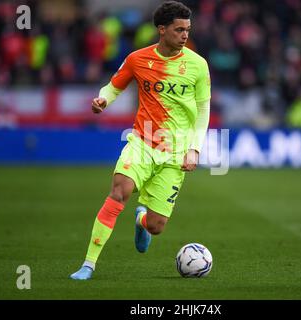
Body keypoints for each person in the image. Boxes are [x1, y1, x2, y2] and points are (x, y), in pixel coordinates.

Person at [70, 1, 211, 280]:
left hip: (176, 152)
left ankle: (141, 221)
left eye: (187, 29)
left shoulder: (197, 65)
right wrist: (102, 100)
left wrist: (194, 149)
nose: (185, 35)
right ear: (162, 29)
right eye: (179, 29)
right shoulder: (137, 59)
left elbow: (203, 110)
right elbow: (114, 86)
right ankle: (88, 264)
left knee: (156, 226)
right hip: (143, 142)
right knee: (118, 191)